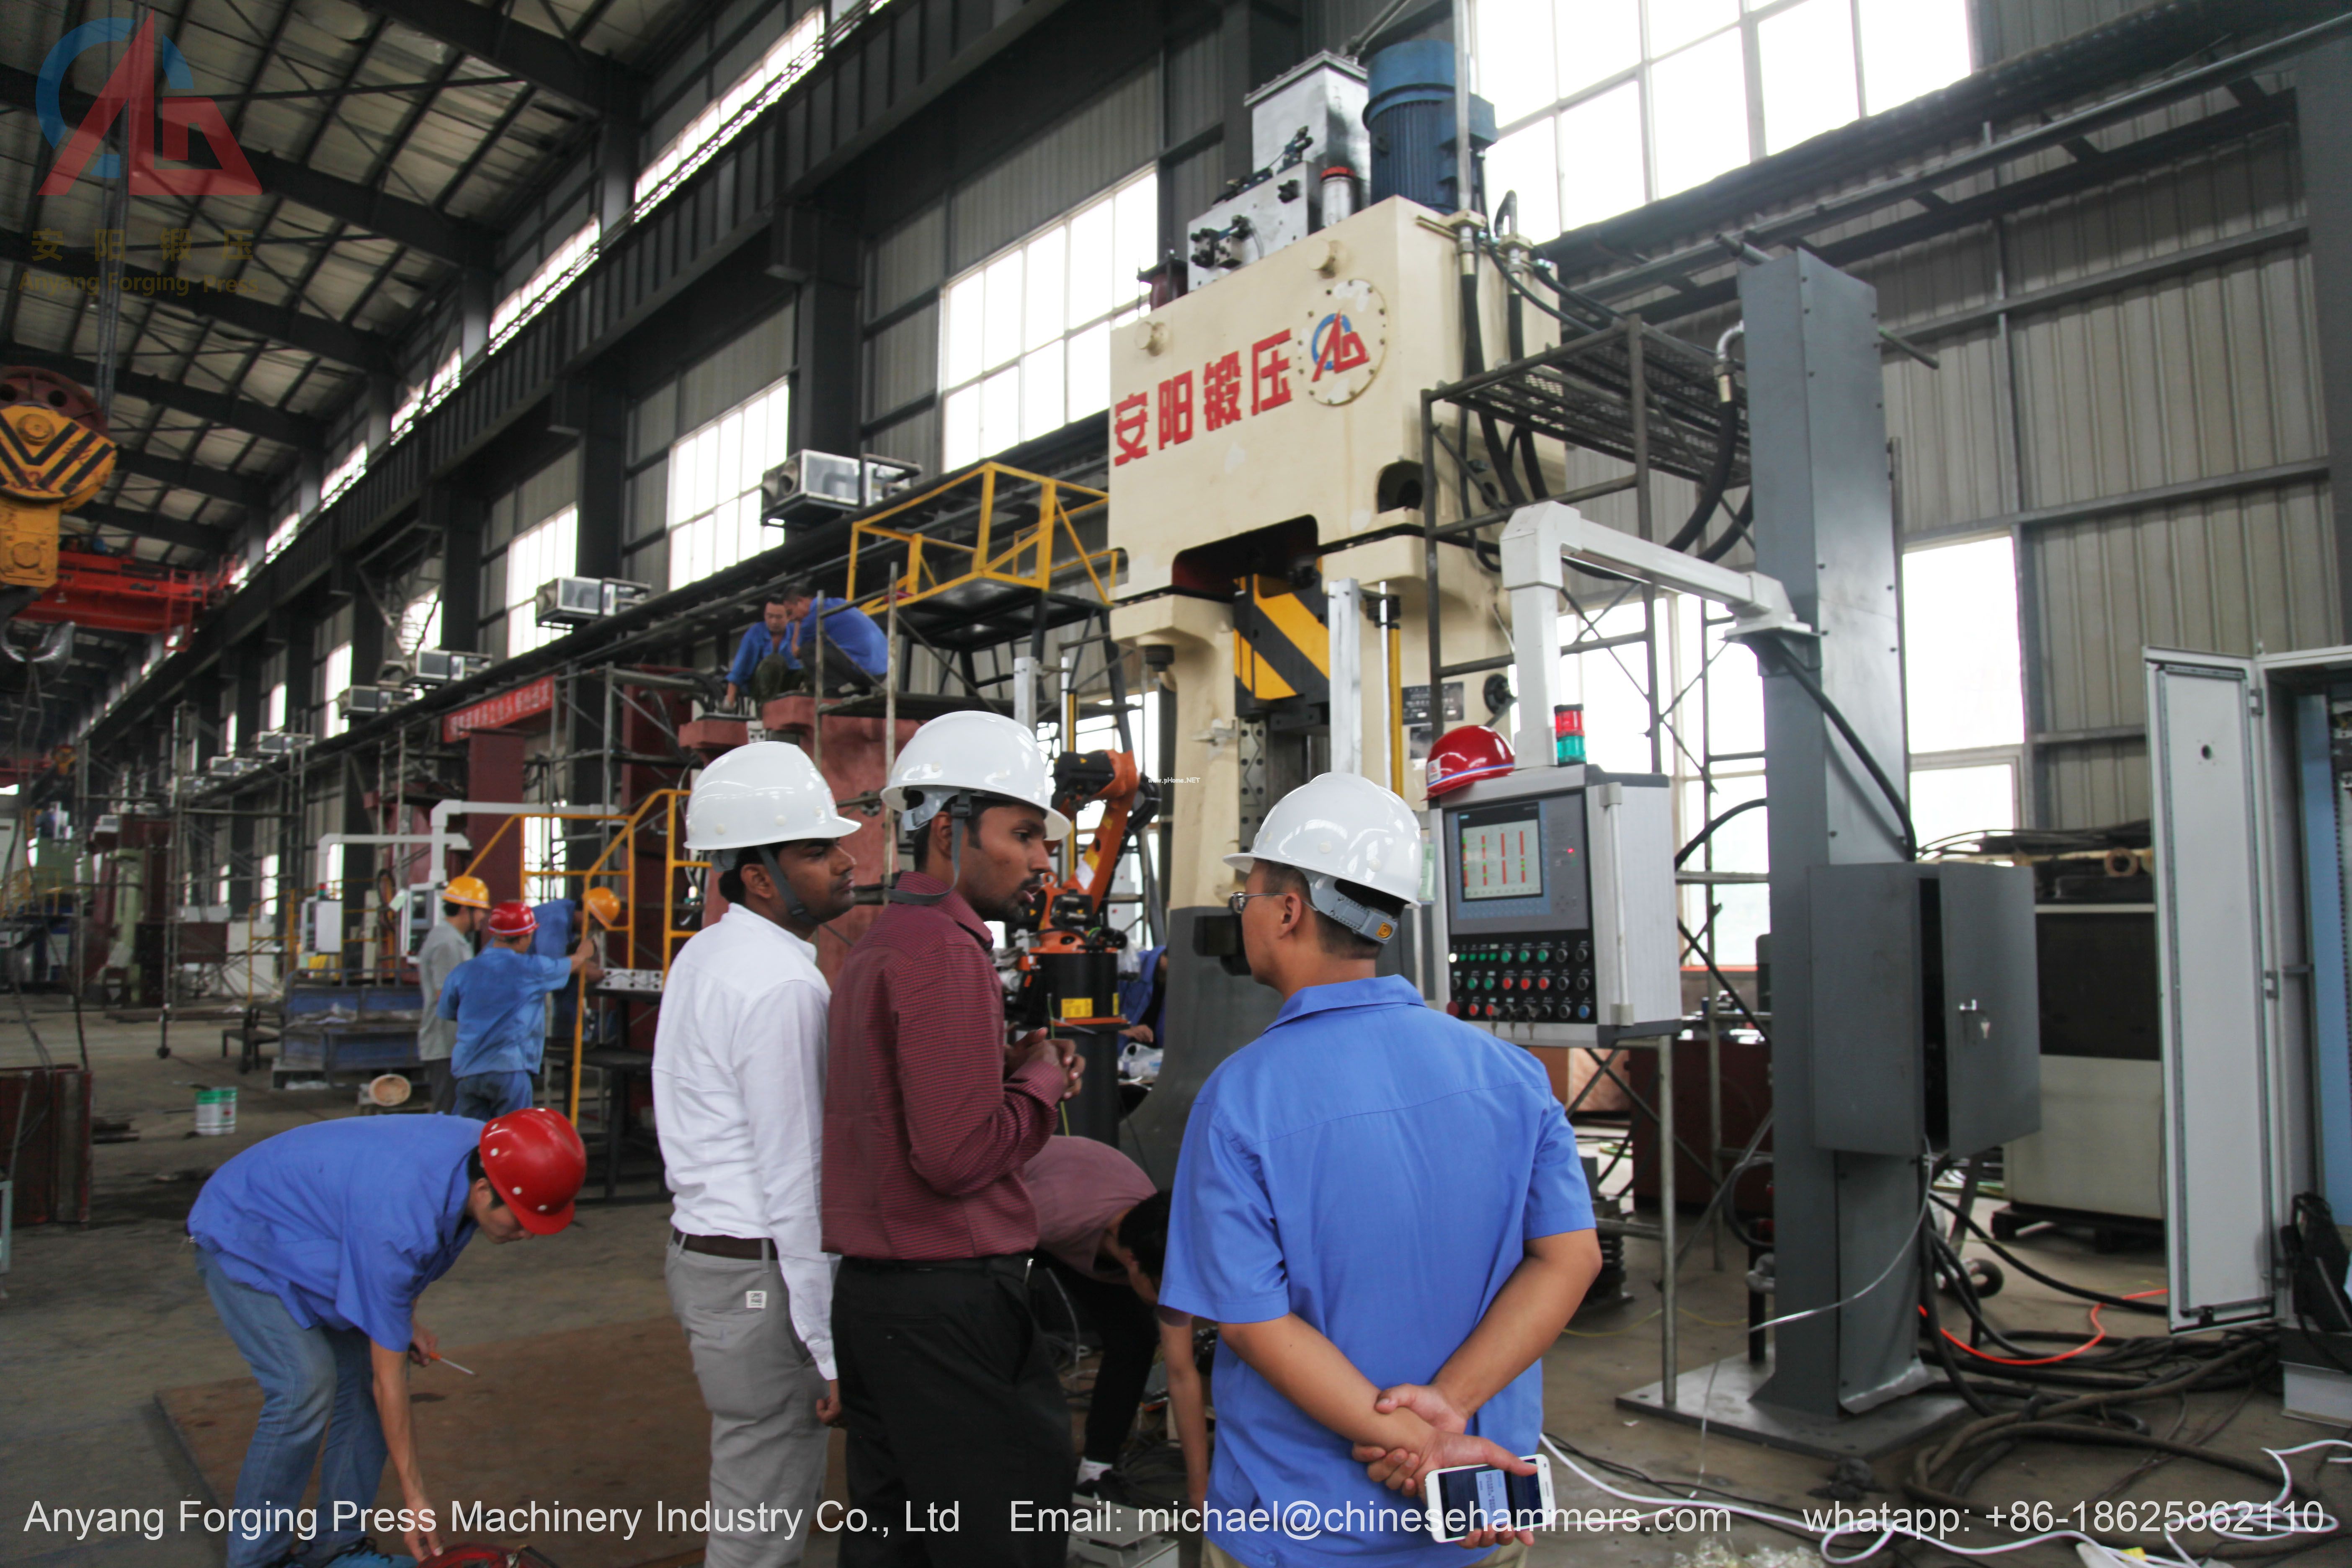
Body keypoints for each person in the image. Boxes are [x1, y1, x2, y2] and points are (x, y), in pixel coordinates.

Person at [1158, 772, 1604, 1568]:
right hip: (1476, 1505)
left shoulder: (1241, 1099)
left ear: (1288, 909)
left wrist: (1409, 1436)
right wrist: (1448, 1416)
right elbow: (1571, 1256)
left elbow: (1254, 1324)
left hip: (1301, 1527)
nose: (1245, 915)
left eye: (1248, 896)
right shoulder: (1511, 1073)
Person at [822, 709, 1085, 1568]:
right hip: (948, 1309)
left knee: (896, 1537)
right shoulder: (946, 951)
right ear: (947, 830)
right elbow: (955, 1155)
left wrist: (999, 1070)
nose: (1042, 858)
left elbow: (901, 1112)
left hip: (876, 1305)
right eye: (1022, 833)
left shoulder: (881, 943)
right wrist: (1042, 1083)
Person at [187, 1109, 587, 1568]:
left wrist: (400, 1318)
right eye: (519, 1221)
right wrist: (415, 1498)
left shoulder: (494, 1153)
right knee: (305, 1386)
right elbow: (389, 1372)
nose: (525, 1236)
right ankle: (254, 1559)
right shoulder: (399, 1218)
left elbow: (406, 1264)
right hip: (244, 1228)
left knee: (360, 1387)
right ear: (482, 1191)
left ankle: (336, 1546)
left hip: (321, 1228)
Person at [656, 742, 862, 1568]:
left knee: (751, 1490)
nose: (847, 863)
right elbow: (798, 1180)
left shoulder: (708, 955)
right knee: (764, 1518)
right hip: (760, 1275)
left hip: (708, 1261)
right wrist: (828, 1346)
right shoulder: (781, 989)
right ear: (759, 878)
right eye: (817, 851)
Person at [1021, 1136, 1160, 1498]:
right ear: (1134, 1263)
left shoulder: (1150, 1232)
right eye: (1164, 1288)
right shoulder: (1050, 1214)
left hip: (1090, 1219)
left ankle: (1096, 1472)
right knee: (1005, 1334)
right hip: (1019, 1200)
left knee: (1137, 1338)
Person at [437, 900, 602, 1120]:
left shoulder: (462, 972)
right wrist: (584, 953)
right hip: (510, 1072)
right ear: (526, 937)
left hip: (469, 1071)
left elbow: (449, 1012)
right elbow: (568, 965)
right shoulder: (531, 969)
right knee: (513, 1139)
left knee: (470, 1140)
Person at [724, 579, 888, 707]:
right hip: (882, 670)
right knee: (777, 662)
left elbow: (797, 652)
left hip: (864, 669)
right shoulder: (837, 602)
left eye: (788, 614)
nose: (791, 618)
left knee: (809, 650)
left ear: (802, 602)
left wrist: (798, 623)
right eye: (770, 616)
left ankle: (830, 693)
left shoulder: (810, 620)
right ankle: (767, 706)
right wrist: (730, 698)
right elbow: (739, 670)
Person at [415, 875, 489, 1114]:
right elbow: (446, 997)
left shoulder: (453, 939)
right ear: (465, 910)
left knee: (456, 1111)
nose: (483, 918)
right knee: (448, 1113)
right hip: (446, 1044)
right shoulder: (448, 943)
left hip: (452, 1043)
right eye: (480, 912)